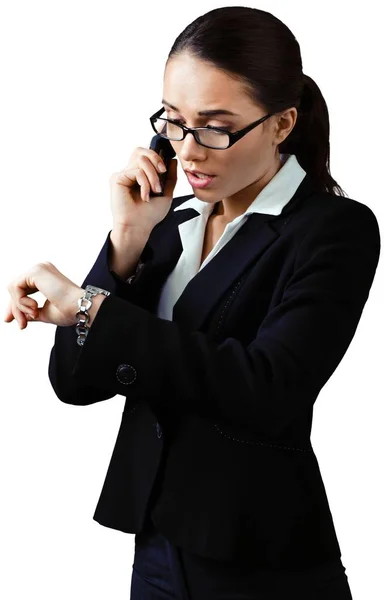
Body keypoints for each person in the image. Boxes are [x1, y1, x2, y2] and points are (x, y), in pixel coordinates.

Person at [4, 6, 381, 600]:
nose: (190, 150)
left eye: (215, 126)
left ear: (282, 124)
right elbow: (75, 383)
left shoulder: (334, 229)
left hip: (259, 559)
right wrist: (124, 244)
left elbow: (268, 389)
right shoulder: (167, 222)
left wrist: (91, 309)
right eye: (174, 123)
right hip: (156, 541)